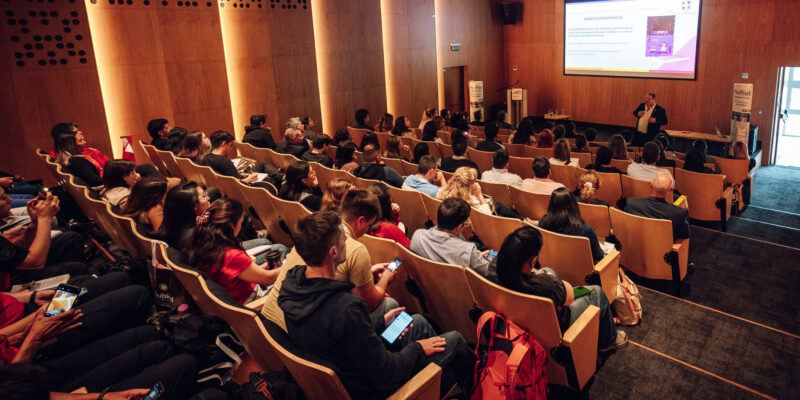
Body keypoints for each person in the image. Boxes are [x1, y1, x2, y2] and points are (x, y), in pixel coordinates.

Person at [277, 211, 473, 399]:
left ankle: (448, 383)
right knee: (455, 340)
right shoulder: (345, 307)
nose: (348, 241)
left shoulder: (293, 287)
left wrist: (378, 323)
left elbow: (336, 336)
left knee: (417, 322)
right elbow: (386, 374)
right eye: (343, 239)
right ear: (333, 252)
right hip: (374, 389)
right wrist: (418, 349)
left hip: (350, 369)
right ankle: (471, 384)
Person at [263, 190, 401, 328]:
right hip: (305, 337)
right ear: (360, 221)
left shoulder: (312, 232)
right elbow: (368, 304)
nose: (367, 230)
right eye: (369, 225)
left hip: (270, 325)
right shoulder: (355, 249)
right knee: (391, 305)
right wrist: (385, 278)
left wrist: (367, 273)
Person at [490, 226, 626, 352]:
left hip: (520, 319)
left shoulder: (492, 268)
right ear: (530, 261)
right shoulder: (545, 286)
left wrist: (545, 276)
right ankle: (608, 341)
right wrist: (552, 280)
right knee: (596, 291)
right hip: (557, 326)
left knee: (547, 270)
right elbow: (570, 296)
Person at [184, 198, 286, 304]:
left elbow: (233, 275)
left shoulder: (203, 243)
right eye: (241, 222)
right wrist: (289, 264)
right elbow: (269, 279)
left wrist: (260, 269)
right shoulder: (230, 255)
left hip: (234, 294)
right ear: (232, 226)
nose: (241, 226)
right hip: (252, 300)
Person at [0, 191, 89, 290]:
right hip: (9, 288)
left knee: (71, 240)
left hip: (9, 271)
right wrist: (44, 217)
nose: (10, 199)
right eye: (3, 198)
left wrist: (35, 222)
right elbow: (35, 262)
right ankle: (75, 288)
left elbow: (17, 252)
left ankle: (72, 284)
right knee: (77, 269)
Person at [410, 198, 490, 275]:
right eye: (467, 223)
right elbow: (488, 272)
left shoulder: (418, 235)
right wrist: (475, 257)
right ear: (460, 227)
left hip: (428, 285)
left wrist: (475, 257)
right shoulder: (468, 250)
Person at [538, 188, 605, 263]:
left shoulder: (542, 222)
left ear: (551, 205)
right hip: (581, 271)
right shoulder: (585, 230)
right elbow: (599, 256)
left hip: (551, 264)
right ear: (574, 205)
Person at [624, 172, 690, 241]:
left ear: (651, 185)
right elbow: (685, 235)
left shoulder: (630, 203)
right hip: (664, 248)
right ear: (670, 190)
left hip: (638, 243)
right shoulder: (678, 212)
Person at [157, 182, 209, 250]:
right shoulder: (195, 236)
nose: (208, 197)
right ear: (195, 207)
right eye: (204, 196)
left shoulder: (171, 221)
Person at [367, 183, 409, 248]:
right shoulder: (390, 229)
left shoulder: (361, 222)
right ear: (387, 204)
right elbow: (408, 250)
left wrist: (394, 214)